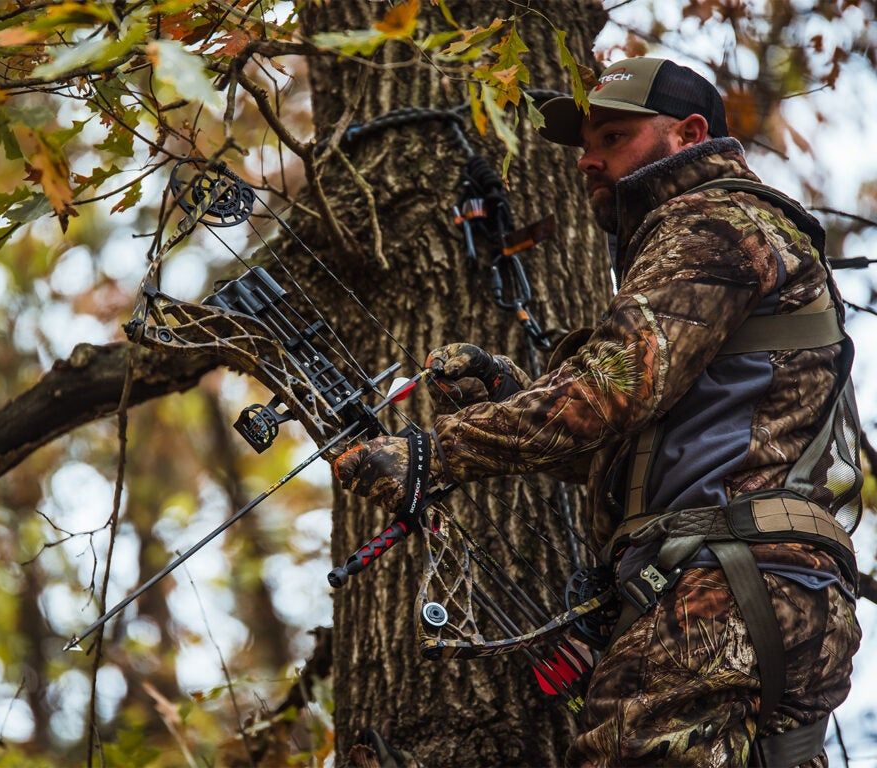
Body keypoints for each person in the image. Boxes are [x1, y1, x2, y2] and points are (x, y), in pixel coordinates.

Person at [332, 57, 862, 767]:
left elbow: (610, 389)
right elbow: (640, 429)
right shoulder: (721, 235)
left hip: (721, 584)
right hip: (775, 588)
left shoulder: (713, 223)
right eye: (585, 144)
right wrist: (510, 397)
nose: (588, 160)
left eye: (613, 137)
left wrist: (435, 453)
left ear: (689, 135)